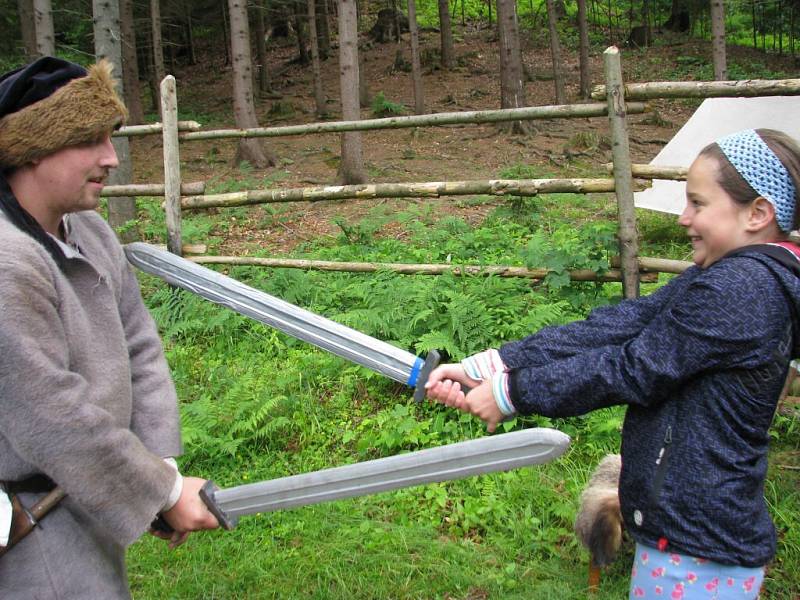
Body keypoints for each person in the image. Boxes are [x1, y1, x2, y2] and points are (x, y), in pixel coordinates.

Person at [425, 128, 800, 598]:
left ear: (758, 213)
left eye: (698, 204)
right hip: (688, 536)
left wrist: (511, 394)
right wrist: (493, 365)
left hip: (700, 548)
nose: (684, 218)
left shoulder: (743, 289)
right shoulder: (724, 277)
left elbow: (632, 368)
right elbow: (623, 324)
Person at [0, 56, 218, 598]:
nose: (111, 158)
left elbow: (140, 346)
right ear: (30, 147)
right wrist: (164, 493)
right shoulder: (7, 262)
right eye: (89, 140)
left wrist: (157, 464)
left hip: (85, 500)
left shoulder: (91, 233)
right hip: (30, 524)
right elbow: (52, 415)